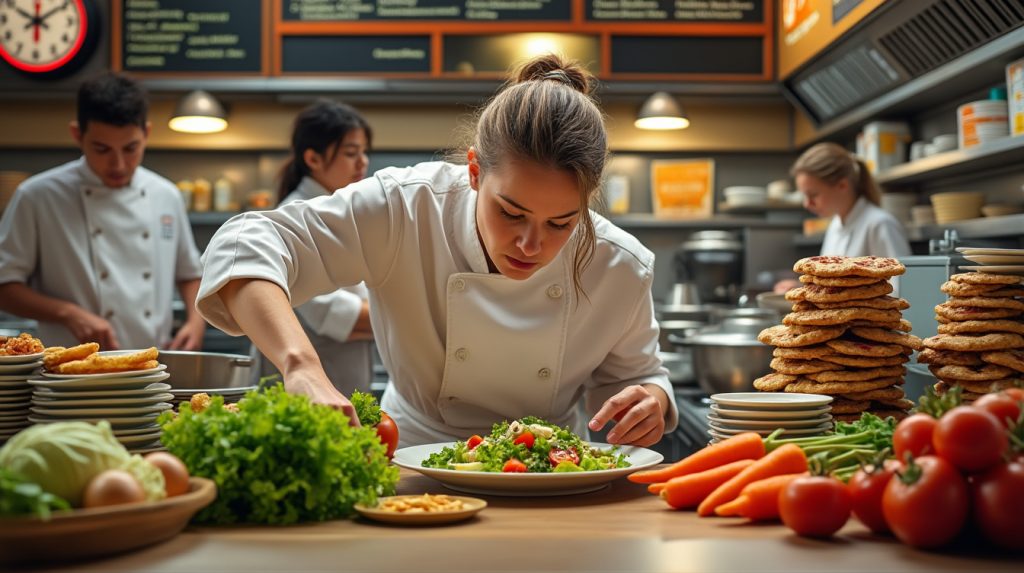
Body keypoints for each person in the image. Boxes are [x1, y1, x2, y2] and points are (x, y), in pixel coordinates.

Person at [196, 54, 678, 448]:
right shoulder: (404, 208)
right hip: (408, 457)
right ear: (473, 172)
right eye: (511, 213)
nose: (532, 244)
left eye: (561, 222)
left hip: (548, 473)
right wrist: (300, 366)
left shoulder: (619, 263)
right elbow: (245, 243)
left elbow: (634, 376)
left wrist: (648, 400)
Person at [0, 72, 204, 350]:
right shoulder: (38, 196)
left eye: (130, 148)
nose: (118, 164)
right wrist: (67, 313)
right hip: (69, 369)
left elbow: (188, 273)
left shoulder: (165, 195)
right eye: (102, 149)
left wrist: (196, 320)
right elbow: (4, 287)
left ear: (146, 133)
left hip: (150, 369)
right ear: (77, 135)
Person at [251, 99, 375, 395]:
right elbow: (335, 316)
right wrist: (404, 313)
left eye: (363, 152)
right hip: (308, 387)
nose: (363, 162)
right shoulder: (295, 217)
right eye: (350, 153)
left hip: (340, 379)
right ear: (313, 159)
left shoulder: (342, 210)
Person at [775, 142, 912, 292]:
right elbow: (830, 283)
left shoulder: (879, 224)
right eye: (804, 196)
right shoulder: (835, 224)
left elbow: (904, 287)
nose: (807, 204)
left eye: (813, 195)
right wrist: (805, 288)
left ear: (842, 185)